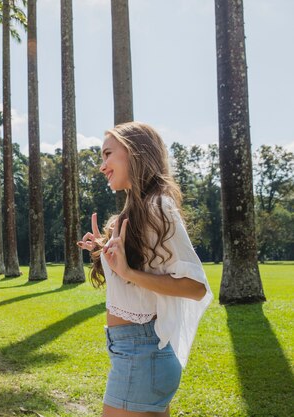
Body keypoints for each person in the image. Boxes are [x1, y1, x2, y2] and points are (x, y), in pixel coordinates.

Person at [77, 121, 213, 416]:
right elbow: (142, 272)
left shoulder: (158, 207)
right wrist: (103, 251)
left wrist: (127, 272)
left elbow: (196, 286)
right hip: (134, 352)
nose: (102, 166)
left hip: (142, 352)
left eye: (108, 154)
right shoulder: (137, 211)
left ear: (135, 153)